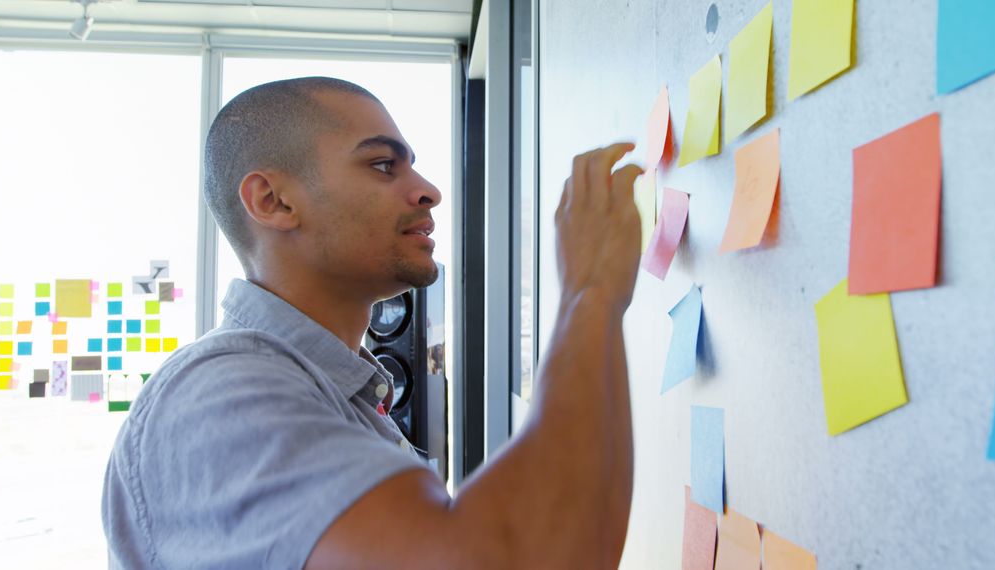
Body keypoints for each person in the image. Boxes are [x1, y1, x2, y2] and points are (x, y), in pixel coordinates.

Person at [101, 76, 643, 569]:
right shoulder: (220, 392)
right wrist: (590, 291)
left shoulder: (348, 398)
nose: (428, 189)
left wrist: (594, 298)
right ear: (273, 201)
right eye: (384, 165)